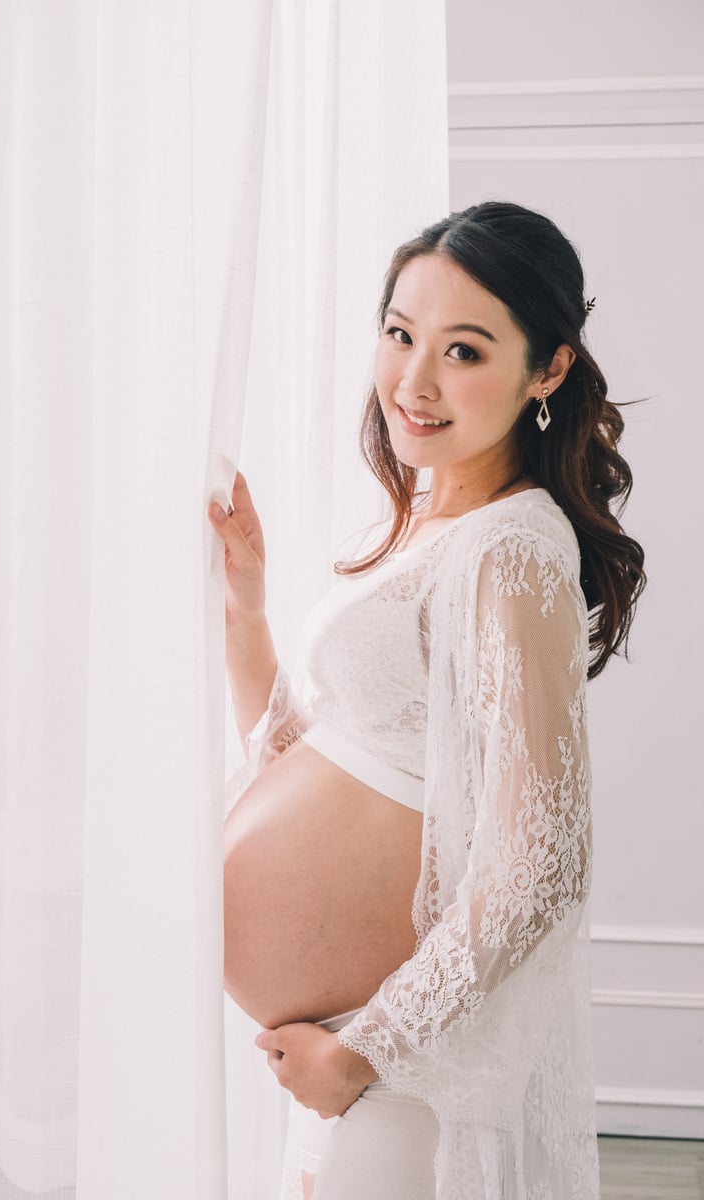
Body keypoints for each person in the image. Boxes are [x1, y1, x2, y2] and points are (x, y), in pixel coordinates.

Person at [209, 200, 645, 1200]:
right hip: (349, 1046)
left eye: (462, 350)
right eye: (399, 334)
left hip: (404, 1064)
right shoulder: (425, 523)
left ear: (548, 370)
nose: (412, 380)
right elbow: (299, 763)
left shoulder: (511, 547)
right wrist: (244, 605)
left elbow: (541, 863)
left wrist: (366, 1051)